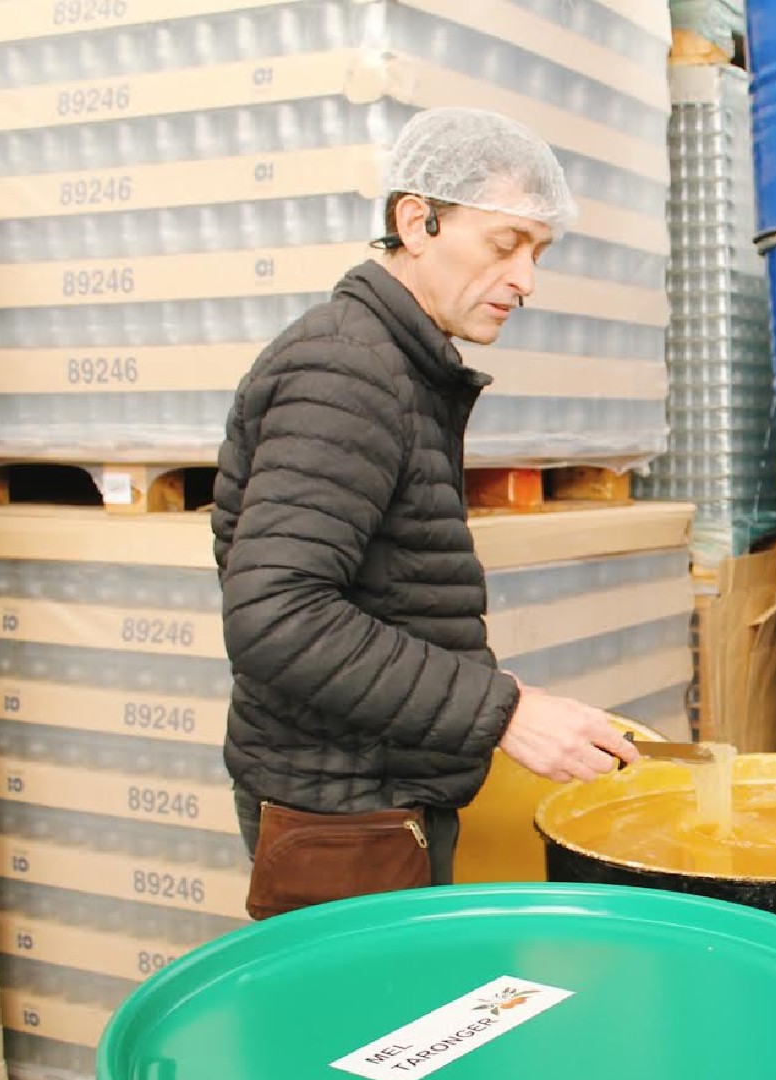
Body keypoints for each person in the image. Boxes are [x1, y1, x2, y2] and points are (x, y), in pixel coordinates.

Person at [212, 107, 637, 920]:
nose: (526, 280)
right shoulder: (345, 369)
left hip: (381, 794)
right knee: (360, 1006)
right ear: (417, 222)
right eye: (505, 244)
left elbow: (386, 595)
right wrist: (504, 713)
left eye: (538, 253)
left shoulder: (396, 367)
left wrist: (493, 697)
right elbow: (277, 615)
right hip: (344, 815)